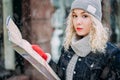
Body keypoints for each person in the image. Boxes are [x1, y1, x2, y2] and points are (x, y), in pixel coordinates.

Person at [32, 0, 120, 80]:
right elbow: (62, 75)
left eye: (84, 16)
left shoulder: (111, 54)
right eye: (75, 16)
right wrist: (46, 60)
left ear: (95, 21)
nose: (78, 21)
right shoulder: (69, 47)